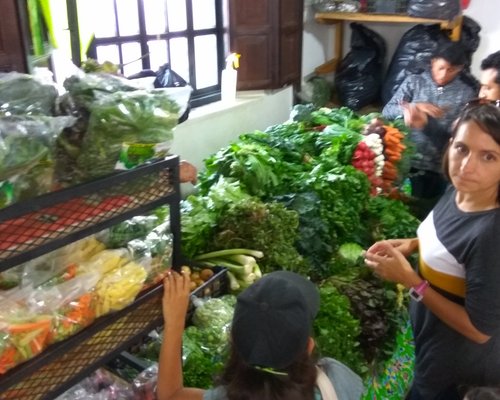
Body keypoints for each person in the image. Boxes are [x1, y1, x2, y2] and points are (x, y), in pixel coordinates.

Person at [365, 103, 500, 400]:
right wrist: (414, 243)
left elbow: (480, 331)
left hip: (459, 367)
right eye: (462, 149)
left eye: (488, 156)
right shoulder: (458, 190)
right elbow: (448, 238)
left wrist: (411, 281)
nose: (466, 166)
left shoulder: (490, 234)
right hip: (431, 341)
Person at [157, 270, 364, 400]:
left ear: (231, 340)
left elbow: (170, 395)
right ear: (308, 347)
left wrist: (175, 322)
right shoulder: (337, 378)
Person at [382, 41, 476, 215]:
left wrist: (429, 124)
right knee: (400, 208)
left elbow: (458, 137)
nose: (444, 74)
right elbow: (387, 111)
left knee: (429, 212)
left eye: (451, 70)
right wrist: (414, 106)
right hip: (406, 161)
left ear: (460, 69)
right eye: (441, 67)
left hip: (439, 168)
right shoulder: (414, 82)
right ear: (433, 62)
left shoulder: (465, 94)